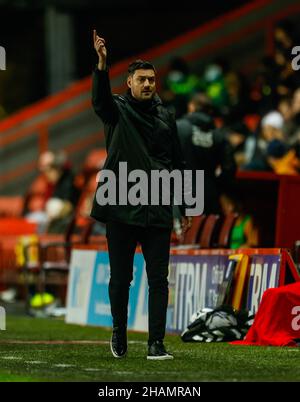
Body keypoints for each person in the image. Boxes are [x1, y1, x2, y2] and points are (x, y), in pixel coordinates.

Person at [91, 30, 192, 360]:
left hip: (158, 208)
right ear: (129, 83)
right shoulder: (116, 110)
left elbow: (178, 162)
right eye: (141, 80)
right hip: (121, 205)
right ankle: (119, 330)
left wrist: (185, 205)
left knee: (159, 280)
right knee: (121, 279)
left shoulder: (166, 116)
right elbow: (99, 101)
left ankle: (156, 343)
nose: (148, 84)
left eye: (151, 79)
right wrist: (102, 65)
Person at [176, 93, 237, 215]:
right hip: (209, 195)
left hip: (180, 192)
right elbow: (229, 168)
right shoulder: (219, 136)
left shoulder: (177, 127)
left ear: (191, 107)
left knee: (182, 233)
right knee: (205, 233)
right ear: (209, 111)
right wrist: (216, 185)